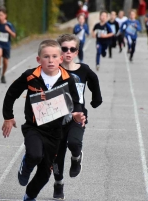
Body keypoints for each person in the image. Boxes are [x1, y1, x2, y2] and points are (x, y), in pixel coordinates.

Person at [2, 39, 86, 201]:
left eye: (55, 56)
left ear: (61, 59)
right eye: (46, 57)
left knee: (45, 174)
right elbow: (11, 93)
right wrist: (8, 117)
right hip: (34, 127)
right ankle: (26, 165)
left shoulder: (68, 79)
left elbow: (76, 100)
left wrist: (76, 113)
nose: (50, 60)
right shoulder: (30, 76)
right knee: (34, 154)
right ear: (38, 60)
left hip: (55, 132)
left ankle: (29, 196)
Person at [52, 34, 102, 200]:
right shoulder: (52, 69)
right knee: (57, 155)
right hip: (57, 117)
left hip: (78, 114)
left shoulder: (84, 69)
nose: (68, 52)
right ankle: (58, 184)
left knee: (74, 142)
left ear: (76, 51)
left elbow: (94, 81)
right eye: (64, 49)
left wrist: (96, 100)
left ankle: (76, 157)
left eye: (71, 49)